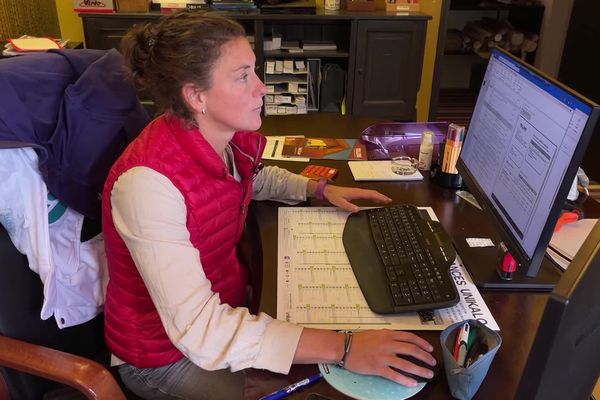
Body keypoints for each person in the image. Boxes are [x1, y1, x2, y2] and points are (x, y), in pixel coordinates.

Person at [102, 11, 436, 400]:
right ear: (196, 96)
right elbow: (200, 330)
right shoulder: (147, 185)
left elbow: (249, 177)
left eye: (255, 71)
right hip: (164, 355)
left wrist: (319, 189)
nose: (262, 88)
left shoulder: (214, 136)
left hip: (221, 305)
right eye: (243, 76)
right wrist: (344, 346)